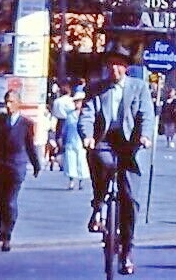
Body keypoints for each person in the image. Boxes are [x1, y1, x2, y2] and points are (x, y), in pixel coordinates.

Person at [79, 43, 155, 275]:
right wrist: (87, 136)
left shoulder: (139, 87)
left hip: (129, 144)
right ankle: (99, 204)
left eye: (120, 65)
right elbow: (87, 114)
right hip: (104, 141)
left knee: (130, 199)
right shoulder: (96, 88)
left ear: (126, 68)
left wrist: (144, 136)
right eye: (111, 64)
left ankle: (127, 251)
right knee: (102, 162)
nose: (115, 69)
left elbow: (146, 115)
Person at [0, 88, 41, 251]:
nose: (8, 105)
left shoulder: (26, 124)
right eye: (6, 102)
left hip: (16, 166)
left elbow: (30, 146)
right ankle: (2, 226)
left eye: (12, 102)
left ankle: (7, 234)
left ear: (19, 104)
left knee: (10, 200)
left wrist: (36, 165)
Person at [62, 88, 90, 191]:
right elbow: (65, 129)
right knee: (71, 162)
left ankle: (81, 181)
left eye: (79, 101)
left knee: (81, 162)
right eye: (76, 102)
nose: (77, 104)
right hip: (71, 141)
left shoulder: (86, 115)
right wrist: (62, 139)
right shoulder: (70, 115)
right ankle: (71, 182)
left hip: (81, 142)